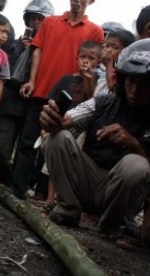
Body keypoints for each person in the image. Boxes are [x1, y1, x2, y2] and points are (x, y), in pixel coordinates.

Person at [39, 39, 150, 233]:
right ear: (123, 80)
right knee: (58, 137)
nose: (135, 90)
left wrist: (133, 145)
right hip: (85, 181)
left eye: (145, 84)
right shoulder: (103, 102)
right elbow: (68, 120)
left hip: (122, 196)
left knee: (136, 165)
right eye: (132, 80)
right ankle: (68, 209)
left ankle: (110, 225)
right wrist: (53, 119)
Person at [12, 0, 103, 199]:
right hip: (42, 89)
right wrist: (31, 81)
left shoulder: (95, 31)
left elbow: (95, 64)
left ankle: (43, 194)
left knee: (54, 144)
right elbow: (37, 52)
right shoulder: (50, 22)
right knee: (28, 140)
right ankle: (17, 189)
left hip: (71, 99)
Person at [0, 0, 54, 163]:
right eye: (32, 18)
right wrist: (21, 50)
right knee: (0, 148)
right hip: (10, 106)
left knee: (24, 152)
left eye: (40, 19)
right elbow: (4, 72)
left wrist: (34, 55)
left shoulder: (49, 52)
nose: (36, 22)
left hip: (31, 109)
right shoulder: (12, 45)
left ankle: (13, 185)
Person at [94, 29, 136, 96]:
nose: (108, 50)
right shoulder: (104, 69)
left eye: (115, 47)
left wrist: (108, 65)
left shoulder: (125, 71)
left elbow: (114, 88)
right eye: (107, 46)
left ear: (126, 51)